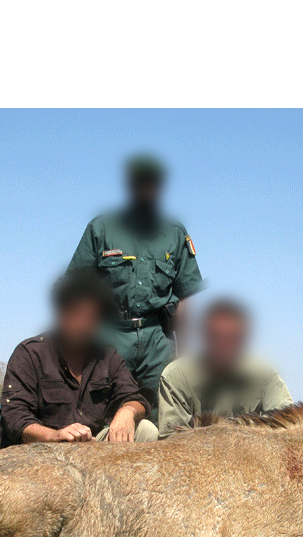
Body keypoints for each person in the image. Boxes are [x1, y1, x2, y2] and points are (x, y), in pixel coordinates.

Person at [66, 155, 203, 404]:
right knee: (106, 416)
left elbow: (185, 296)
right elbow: (77, 291)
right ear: (129, 185)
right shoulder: (101, 228)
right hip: (108, 336)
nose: (146, 188)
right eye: (140, 182)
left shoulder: (175, 233)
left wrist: (183, 358)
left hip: (157, 340)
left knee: (163, 419)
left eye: (152, 183)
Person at [0, 270, 157, 446]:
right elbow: (14, 417)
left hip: (92, 448)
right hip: (45, 450)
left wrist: (127, 411)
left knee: (145, 429)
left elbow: (137, 397)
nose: (82, 324)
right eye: (75, 314)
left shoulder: (107, 356)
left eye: (91, 317)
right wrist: (55, 435)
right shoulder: (29, 354)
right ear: (60, 314)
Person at [157, 298, 294, 439]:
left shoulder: (265, 374)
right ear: (204, 336)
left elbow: (289, 428)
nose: (224, 346)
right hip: (198, 457)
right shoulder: (176, 376)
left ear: (244, 340)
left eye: (232, 338)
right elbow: (172, 442)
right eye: (216, 337)